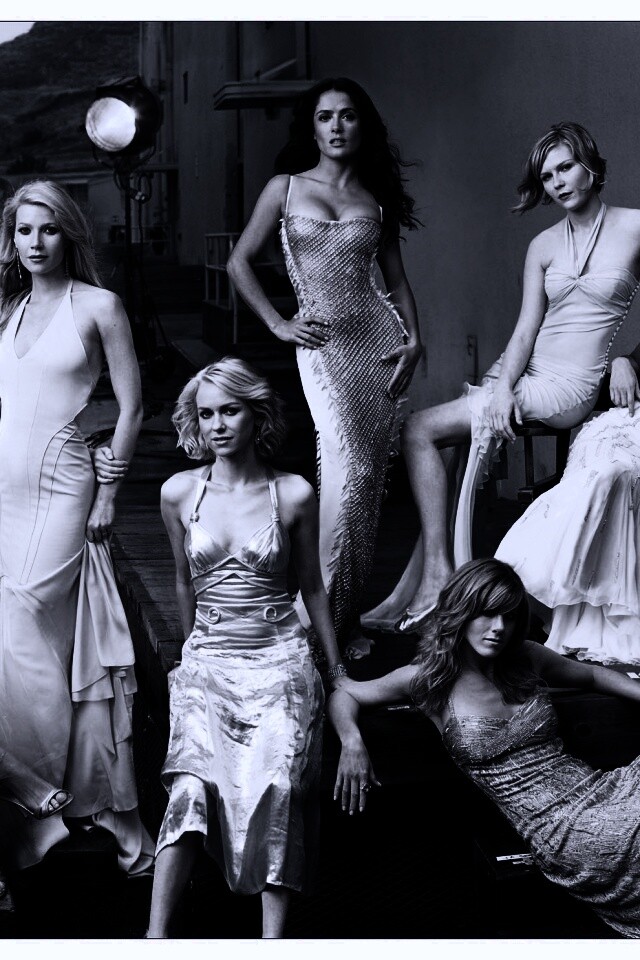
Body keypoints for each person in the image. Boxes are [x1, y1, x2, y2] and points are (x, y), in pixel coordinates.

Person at [363, 121, 640, 635]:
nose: (557, 182)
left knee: (419, 429)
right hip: (523, 370)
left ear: (590, 165)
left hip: (569, 386)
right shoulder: (543, 245)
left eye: (565, 168)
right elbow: (525, 331)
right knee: (447, 446)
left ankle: (440, 578)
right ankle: (433, 580)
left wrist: (629, 360)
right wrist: (502, 388)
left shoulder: (635, 227)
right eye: (547, 176)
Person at [330, 558, 640, 938]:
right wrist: (351, 741)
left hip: (601, 790)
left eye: (509, 616)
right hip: (562, 829)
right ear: (461, 611)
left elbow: (591, 674)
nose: (499, 628)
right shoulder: (430, 679)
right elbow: (346, 693)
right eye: (487, 613)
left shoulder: (526, 657)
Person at [147, 357, 347, 939]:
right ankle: (154, 939)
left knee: (277, 787)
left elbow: (312, 588)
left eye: (229, 411)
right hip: (208, 663)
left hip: (280, 661)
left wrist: (336, 672)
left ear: (256, 415)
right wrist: (190, 655)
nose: (217, 425)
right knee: (188, 790)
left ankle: (271, 943)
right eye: (206, 414)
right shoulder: (179, 493)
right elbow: (183, 580)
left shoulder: (293, 493)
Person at [227, 77, 422, 657]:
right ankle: (315, 618)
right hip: (321, 348)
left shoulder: (375, 199)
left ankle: (343, 617)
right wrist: (278, 323)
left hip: (377, 345)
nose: (336, 126)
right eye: (324, 116)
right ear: (311, 128)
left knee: (367, 485)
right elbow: (239, 263)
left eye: (348, 115)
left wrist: (415, 341)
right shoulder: (284, 188)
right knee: (346, 470)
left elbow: (396, 282)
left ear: (363, 125)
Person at [0, 180, 154, 874]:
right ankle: (40, 802)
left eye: (49, 229)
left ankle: (34, 790)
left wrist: (108, 496)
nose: (36, 242)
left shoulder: (98, 305)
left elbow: (131, 407)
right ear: (12, 240)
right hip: (4, 489)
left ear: (69, 234)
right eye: (24, 230)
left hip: (64, 485)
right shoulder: (8, 311)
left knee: (22, 621)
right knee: (33, 643)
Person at [496, 343, 640, 663]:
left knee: (615, 475)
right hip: (621, 427)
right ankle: (544, 588)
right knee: (600, 475)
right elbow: (633, 361)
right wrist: (622, 362)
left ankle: (582, 605)